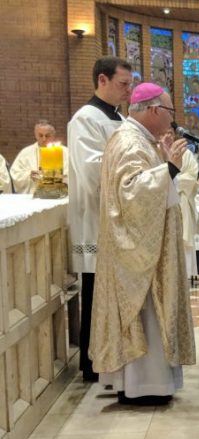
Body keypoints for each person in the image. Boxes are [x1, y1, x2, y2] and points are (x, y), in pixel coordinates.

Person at [90, 82, 196, 405]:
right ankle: (144, 386)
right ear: (154, 111)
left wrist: (166, 167)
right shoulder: (130, 142)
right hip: (138, 256)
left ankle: (148, 384)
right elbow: (131, 194)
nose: (172, 119)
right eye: (170, 112)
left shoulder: (138, 139)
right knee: (148, 315)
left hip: (146, 246)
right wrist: (170, 169)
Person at [68, 56, 133, 381]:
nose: (128, 90)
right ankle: (93, 365)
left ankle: (113, 358)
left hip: (118, 217)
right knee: (96, 294)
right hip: (97, 219)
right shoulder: (86, 118)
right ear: (102, 80)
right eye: (123, 83)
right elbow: (92, 167)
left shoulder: (118, 118)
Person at [8, 121, 68, 194]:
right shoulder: (26, 153)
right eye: (40, 135)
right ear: (35, 135)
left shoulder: (65, 152)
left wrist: (58, 177)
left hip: (59, 193)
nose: (44, 139)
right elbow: (15, 173)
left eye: (47, 136)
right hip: (33, 195)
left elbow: (72, 173)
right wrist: (29, 175)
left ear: (53, 135)